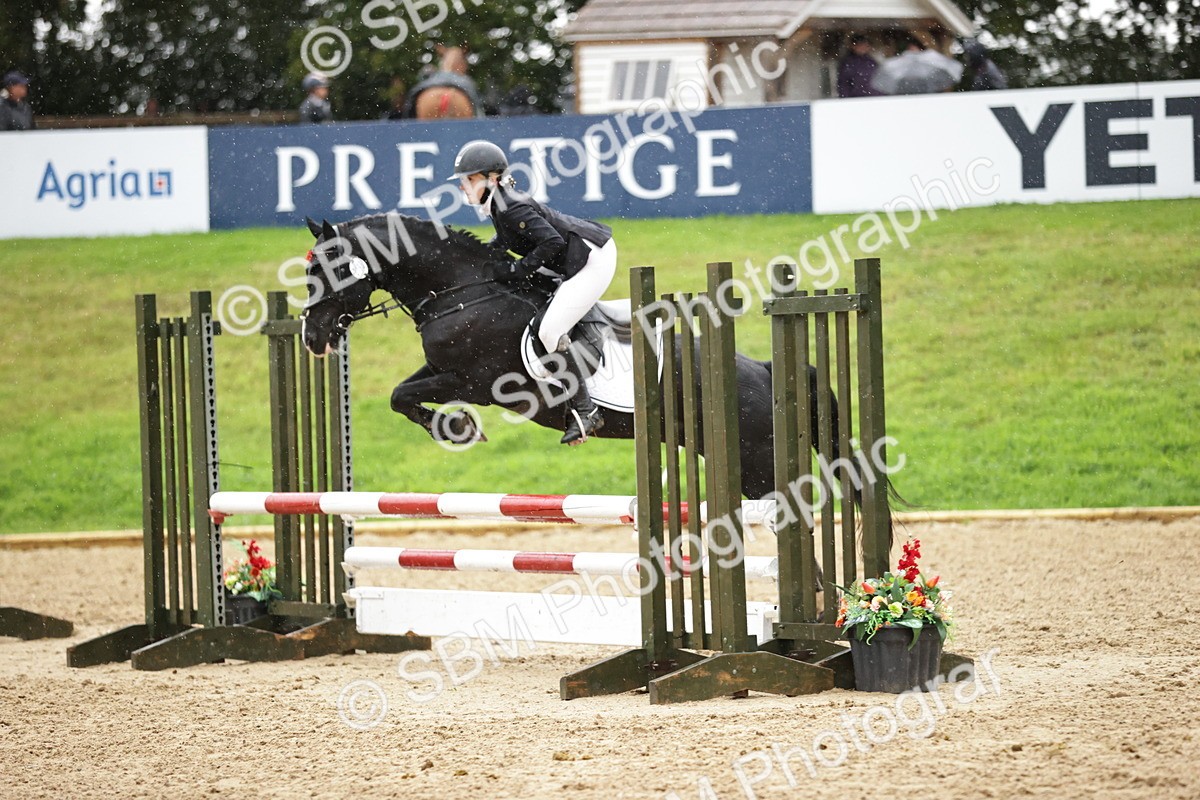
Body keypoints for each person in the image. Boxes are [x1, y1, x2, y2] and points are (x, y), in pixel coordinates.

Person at [451, 140, 616, 445]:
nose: (463, 187)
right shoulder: (499, 205)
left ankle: (586, 410)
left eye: (469, 179)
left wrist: (518, 270)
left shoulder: (510, 206)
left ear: (492, 179)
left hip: (590, 260)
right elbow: (504, 241)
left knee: (550, 331)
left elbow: (551, 242)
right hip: (569, 256)